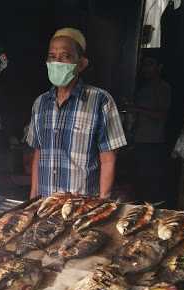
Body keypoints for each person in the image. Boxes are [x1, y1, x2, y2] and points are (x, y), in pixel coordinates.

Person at [26, 27, 127, 199]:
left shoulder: (100, 100)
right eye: (52, 56)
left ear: (81, 64)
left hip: (82, 206)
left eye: (65, 56)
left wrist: (102, 202)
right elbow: (38, 154)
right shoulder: (40, 103)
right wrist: (33, 198)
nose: (57, 61)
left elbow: (108, 159)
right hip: (45, 203)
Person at [129, 54, 172, 203]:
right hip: (139, 139)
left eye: (150, 64)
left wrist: (136, 109)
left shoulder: (163, 88)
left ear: (159, 68)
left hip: (153, 141)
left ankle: (150, 209)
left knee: (150, 181)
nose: (146, 68)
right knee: (138, 179)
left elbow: (161, 115)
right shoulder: (143, 89)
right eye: (144, 65)